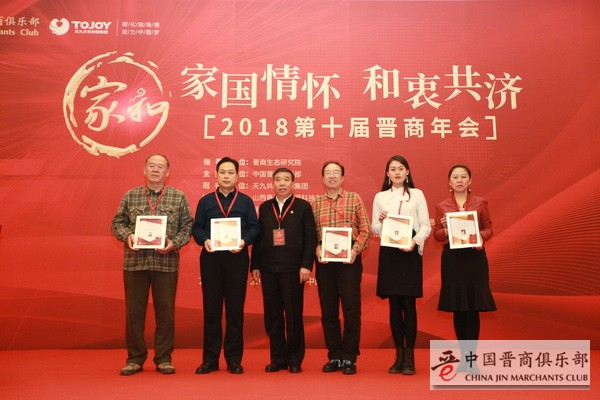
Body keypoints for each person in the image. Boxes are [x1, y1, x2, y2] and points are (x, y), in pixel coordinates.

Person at [111, 154, 193, 376]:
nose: (156, 170)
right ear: (144, 169)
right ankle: (135, 359)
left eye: (160, 167)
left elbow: (188, 226)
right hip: (135, 263)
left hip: (166, 263)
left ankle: (163, 359)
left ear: (167, 172)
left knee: (165, 312)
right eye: (152, 166)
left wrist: (175, 243)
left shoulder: (178, 196)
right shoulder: (131, 195)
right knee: (134, 314)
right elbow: (117, 222)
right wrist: (127, 235)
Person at [192, 157, 260, 375]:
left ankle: (234, 360)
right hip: (211, 259)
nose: (227, 176)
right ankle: (210, 360)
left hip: (237, 259)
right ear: (216, 175)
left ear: (237, 176)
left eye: (231, 172)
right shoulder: (205, 201)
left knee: (234, 311)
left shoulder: (245, 201)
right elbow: (197, 228)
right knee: (211, 311)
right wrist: (205, 240)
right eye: (223, 172)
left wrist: (243, 241)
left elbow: (254, 228)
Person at [250, 168, 318, 373]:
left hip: (293, 270)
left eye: (286, 180)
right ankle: (277, 359)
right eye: (278, 180)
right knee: (273, 316)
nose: (282, 183)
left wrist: (306, 265)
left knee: (293, 316)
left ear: (293, 184)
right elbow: (259, 239)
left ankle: (295, 359)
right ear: (272, 183)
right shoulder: (265, 207)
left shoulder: (303, 207)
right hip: (269, 269)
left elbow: (311, 238)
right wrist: (255, 265)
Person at [371, 155, 431, 375]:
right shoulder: (380, 197)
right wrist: (381, 221)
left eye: (400, 168)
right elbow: (374, 228)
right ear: (387, 174)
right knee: (394, 305)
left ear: (407, 172)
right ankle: (399, 356)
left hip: (409, 252)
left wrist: (414, 242)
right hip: (389, 254)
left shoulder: (417, 194)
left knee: (409, 304)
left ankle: (410, 358)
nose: (396, 172)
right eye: (392, 169)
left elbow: (425, 225)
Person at [311, 161, 370, 375]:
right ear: (323, 178)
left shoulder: (354, 198)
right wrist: (317, 249)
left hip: (349, 261)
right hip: (325, 263)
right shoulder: (315, 203)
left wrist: (355, 250)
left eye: (336, 172)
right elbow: (311, 234)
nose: (332, 176)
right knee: (328, 310)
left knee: (351, 310)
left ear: (343, 177)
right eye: (328, 173)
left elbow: (365, 230)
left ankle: (349, 357)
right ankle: (334, 355)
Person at [433, 165, 497, 343]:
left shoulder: (480, 203)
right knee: (458, 306)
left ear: (470, 181)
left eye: (463, 177)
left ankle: (471, 355)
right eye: (455, 177)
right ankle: (464, 353)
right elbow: (437, 235)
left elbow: (489, 229)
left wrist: (480, 237)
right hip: (453, 261)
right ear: (449, 182)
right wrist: (446, 229)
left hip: (474, 259)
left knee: (473, 307)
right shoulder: (442, 206)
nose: (459, 180)